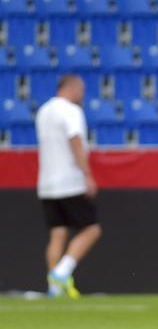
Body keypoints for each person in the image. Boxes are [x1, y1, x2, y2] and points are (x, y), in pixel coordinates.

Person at [36, 74, 101, 298]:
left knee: (58, 233)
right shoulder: (71, 111)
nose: (82, 95)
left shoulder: (44, 111)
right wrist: (87, 174)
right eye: (81, 90)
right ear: (71, 88)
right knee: (91, 229)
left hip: (46, 183)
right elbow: (75, 140)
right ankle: (62, 273)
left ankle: (53, 288)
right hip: (69, 181)